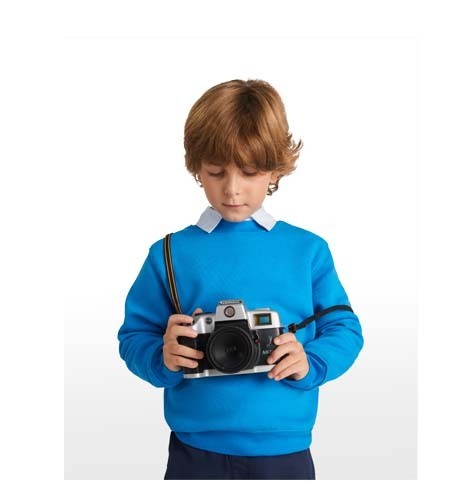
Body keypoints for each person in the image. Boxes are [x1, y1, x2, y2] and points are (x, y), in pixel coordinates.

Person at [117, 79, 363, 480]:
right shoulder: (169, 253)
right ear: (196, 168)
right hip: (195, 449)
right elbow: (134, 336)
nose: (232, 190)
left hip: (284, 448)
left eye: (250, 172)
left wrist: (310, 361)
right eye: (216, 172)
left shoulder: (307, 251)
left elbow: (345, 328)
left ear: (276, 169)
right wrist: (162, 357)